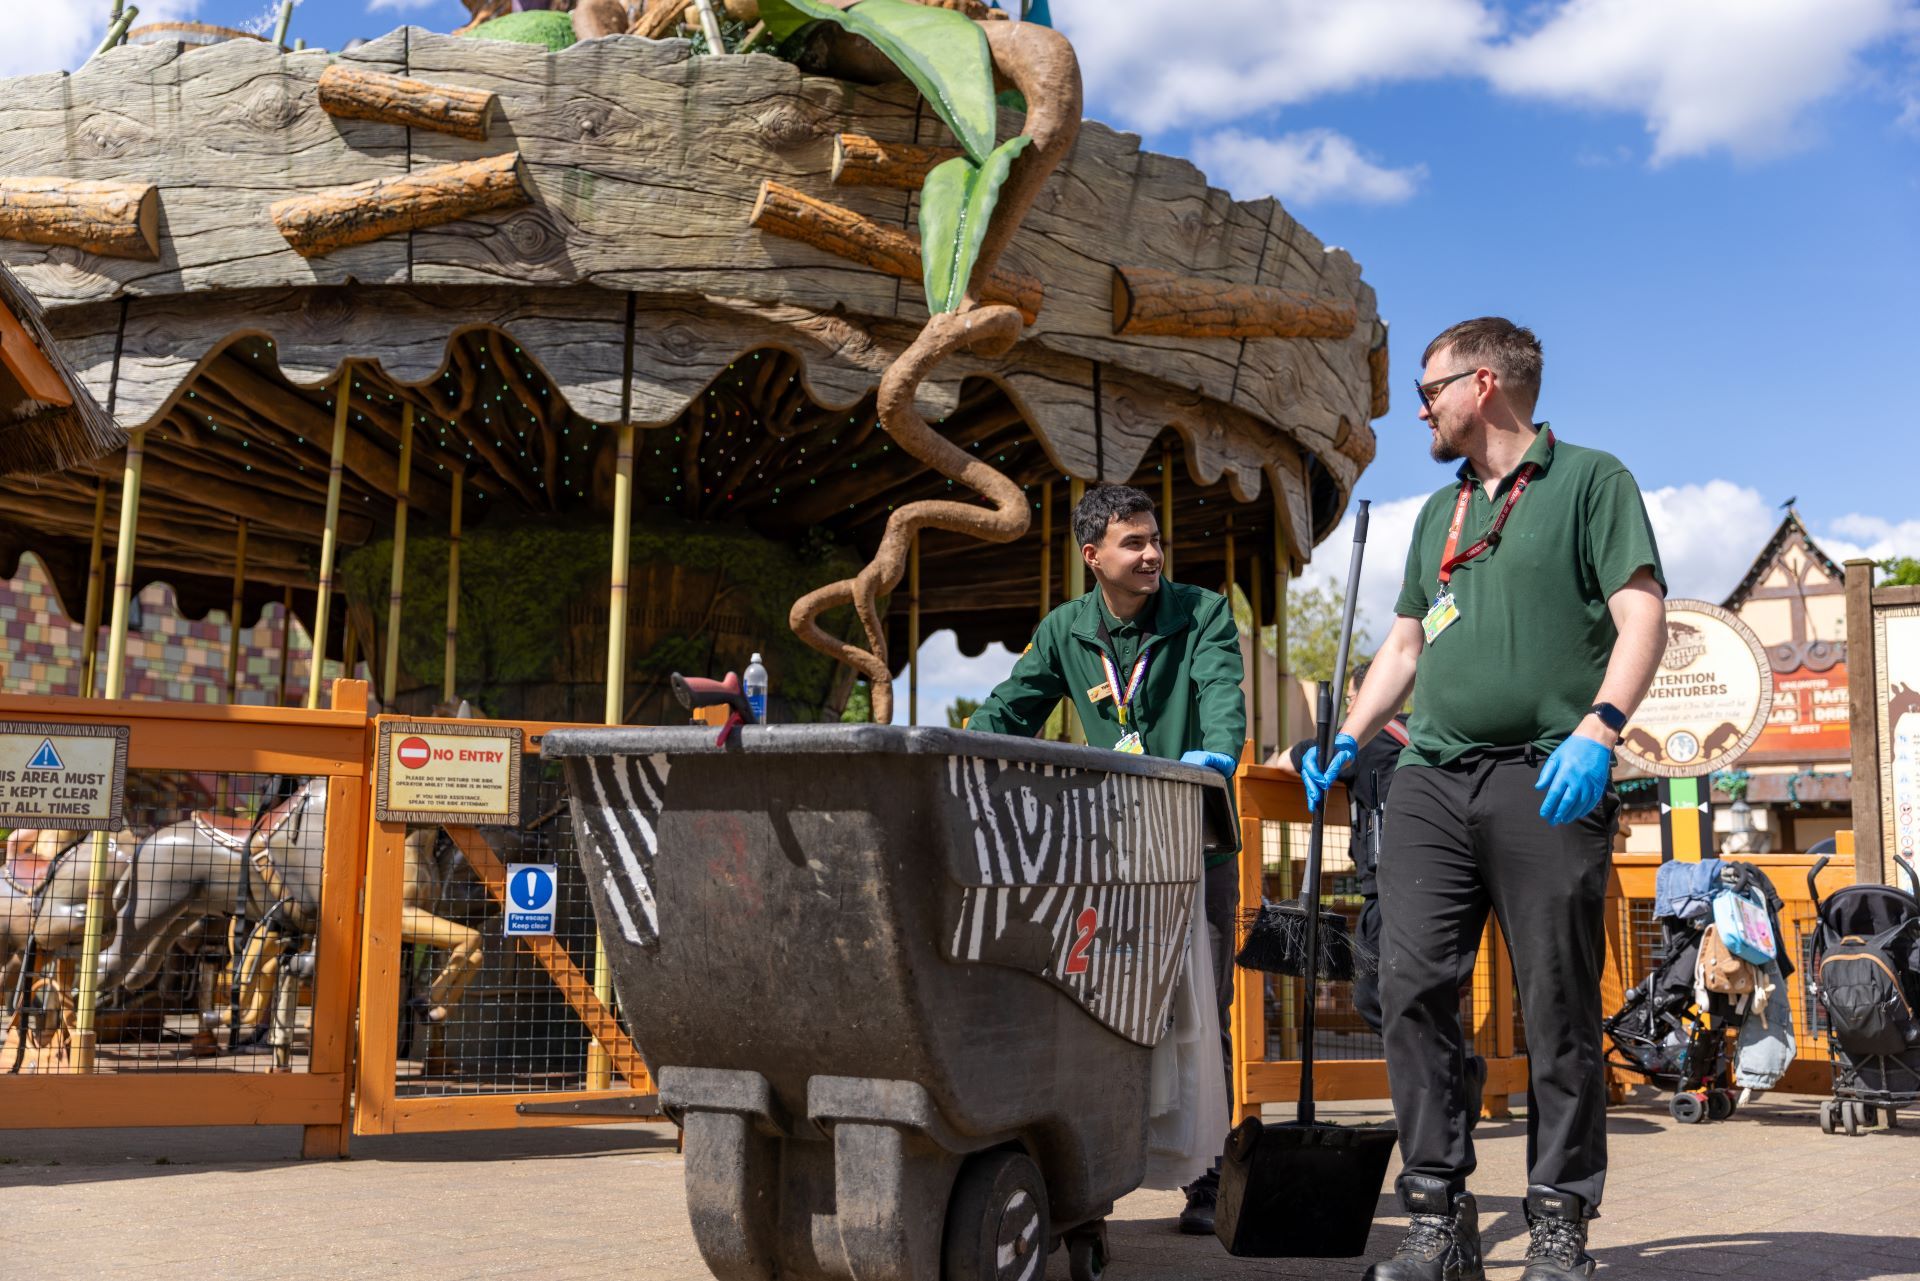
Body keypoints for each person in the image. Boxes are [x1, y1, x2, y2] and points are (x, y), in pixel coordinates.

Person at [1302, 318, 1667, 1281]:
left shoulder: (1593, 481)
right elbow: (1409, 644)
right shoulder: (1440, 511)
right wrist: (1347, 736)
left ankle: (1558, 1223)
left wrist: (1601, 726)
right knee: (1407, 986)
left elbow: (1643, 615)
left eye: (1430, 390)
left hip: (1548, 773)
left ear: (1486, 381)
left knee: (1556, 1005)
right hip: (1429, 776)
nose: (1418, 407)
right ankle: (1438, 1215)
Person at [967, 482, 1246, 1235]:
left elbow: (1223, 691)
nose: (1152, 553)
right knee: (1104, 1013)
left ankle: (1211, 1174)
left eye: (1155, 539)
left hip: (1195, 847)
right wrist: (958, 744)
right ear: (1093, 555)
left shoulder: (1202, 613)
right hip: (1111, 856)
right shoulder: (1065, 630)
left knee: (1204, 1009)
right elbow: (1010, 709)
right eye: (1134, 542)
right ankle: (1102, 1167)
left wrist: (1216, 752)